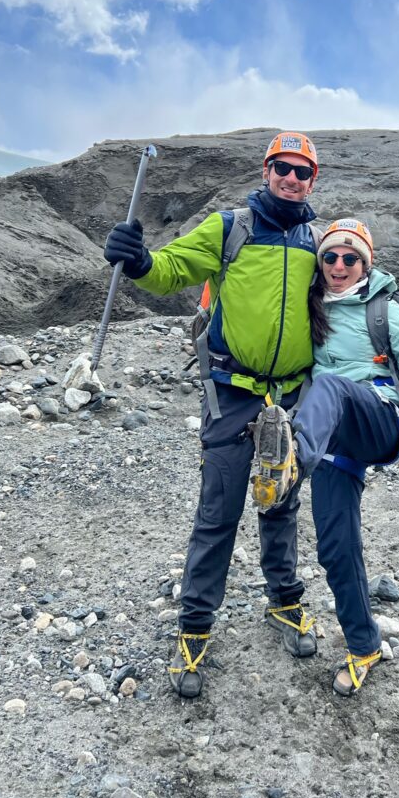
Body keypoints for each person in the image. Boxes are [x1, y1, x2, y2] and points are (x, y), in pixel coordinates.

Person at [103, 132, 322, 699]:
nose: (292, 178)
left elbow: (351, 300)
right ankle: (194, 627)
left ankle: (286, 601)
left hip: (292, 396)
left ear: (312, 180)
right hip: (232, 393)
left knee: (281, 502)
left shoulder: (317, 244)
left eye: (303, 172)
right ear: (267, 169)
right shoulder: (231, 228)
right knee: (218, 511)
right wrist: (140, 261)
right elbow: (172, 268)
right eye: (283, 167)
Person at [290, 218, 399, 696]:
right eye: (331, 257)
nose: (339, 265)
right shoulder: (309, 303)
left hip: (377, 415)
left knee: (331, 386)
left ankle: (292, 459)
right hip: (334, 436)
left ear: (366, 263)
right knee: (335, 547)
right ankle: (365, 645)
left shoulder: (383, 309)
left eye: (350, 257)